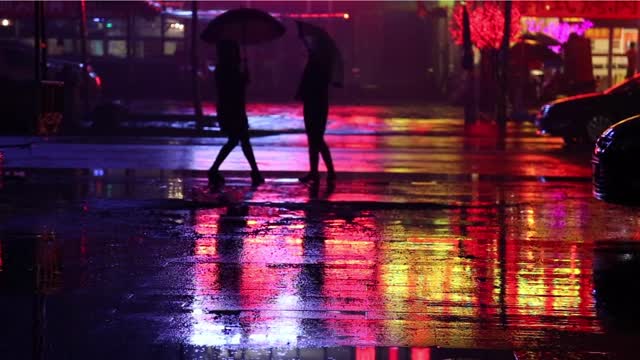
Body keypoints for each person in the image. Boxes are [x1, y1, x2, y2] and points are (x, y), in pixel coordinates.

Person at [207, 40, 264, 187]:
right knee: (237, 139)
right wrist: (243, 78)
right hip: (232, 109)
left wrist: (243, 77)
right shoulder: (226, 69)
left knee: (242, 140)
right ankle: (215, 169)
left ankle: (255, 172)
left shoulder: (225, 68)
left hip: (233, 108)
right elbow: (234, 89)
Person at [296, 35, 336, 185]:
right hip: (314, 102)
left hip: (316, 103)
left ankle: (326, 171)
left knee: (316, 139)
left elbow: (312, 82)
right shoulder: (320, 63)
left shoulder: (321, 64)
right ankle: (318, 172)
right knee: (315, 139)